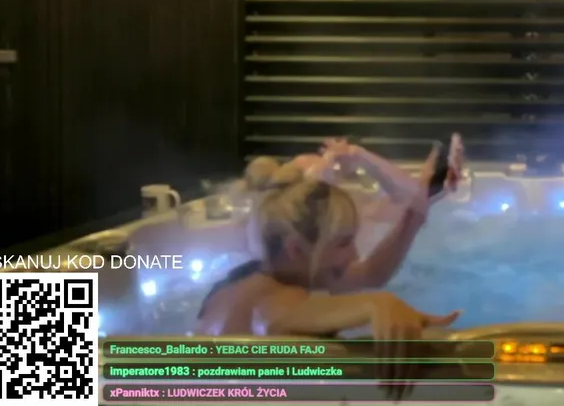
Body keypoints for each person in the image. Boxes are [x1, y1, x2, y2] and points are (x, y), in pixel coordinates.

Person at [196, 137, 466, 339]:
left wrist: (416, 211)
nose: (355, 255)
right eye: (342, 244)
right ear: (295, 249)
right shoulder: (275, 305)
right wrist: (378, 304)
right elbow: (271, 318)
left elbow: (372, 273)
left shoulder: (254, 277)